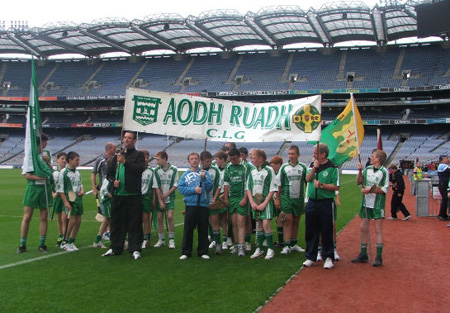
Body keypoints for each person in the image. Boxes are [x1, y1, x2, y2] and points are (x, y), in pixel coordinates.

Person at [102, 131, 145, 260]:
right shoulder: (116, 157)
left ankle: (135, 249)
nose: (126, 140)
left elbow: (139, 169)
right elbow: (109, 174)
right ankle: (115, 247)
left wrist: (125, 162)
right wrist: (112, 182)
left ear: (134, 141)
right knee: (116, 222)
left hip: (133, 195)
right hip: (118, 195)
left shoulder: (139, 155)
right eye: (125, 137)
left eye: (129, 138)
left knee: (134, 223)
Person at [302, 143, 339, 270]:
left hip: (326, 202)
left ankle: (328, 256)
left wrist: (322, 185)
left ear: (323, 154)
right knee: (311, 230)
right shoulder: (312, 165)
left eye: (316, 152)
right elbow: (307, 179)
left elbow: (336, 187)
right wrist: (314, 169)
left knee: (327, 230)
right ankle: (311, 257)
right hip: (312, 202)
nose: (313, 154)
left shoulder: (333, 168)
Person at [352, 149, 389, 267]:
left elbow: (384, 189)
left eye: (373, 156)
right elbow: (358, 182)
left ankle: (379, 256)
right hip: (365, 203)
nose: (370, 158)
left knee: (378, 229)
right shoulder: (367, 169)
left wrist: (370, 190)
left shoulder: (384, 171)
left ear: (378, 159)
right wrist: (359, 171)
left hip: (377, 204)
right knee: (363, 227)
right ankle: (363, 253)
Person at [17, 133, 53, 253]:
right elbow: (26, 175)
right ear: (40, 143)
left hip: (45, 189)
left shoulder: (45, 155)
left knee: (43, 217)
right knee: (27, 216)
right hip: (33, 189)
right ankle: (22, 244)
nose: (46, 144)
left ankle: (42, 244)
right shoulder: (30, 156)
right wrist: (40, 178)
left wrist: (47, 162)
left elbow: (51, 170)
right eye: (44, 142)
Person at [179, 152, 213, 260]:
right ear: (189, 161)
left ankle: (202, 251)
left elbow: (209, 187)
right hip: (190, 204)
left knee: (203, 228)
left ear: (199, 160)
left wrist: (205, 178)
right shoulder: (185, 175)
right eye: (192, 159)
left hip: (203, 204)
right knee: (188, 229)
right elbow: (181, 188)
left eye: (196, 158)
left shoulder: (205, 173)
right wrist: (193, 190)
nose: (194, 160)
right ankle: (186, 251)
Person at [247, 149, 277, 260]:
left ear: (260, 159)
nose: (252, 160)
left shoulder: (269, 170)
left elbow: (272, 188)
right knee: (259, 225)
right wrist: (252, 202)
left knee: (265, 224)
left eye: (253, 158)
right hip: (255, 203)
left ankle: (270, 249)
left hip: (266, 202)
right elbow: (248, 188)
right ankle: (259, 248)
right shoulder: (252, 171)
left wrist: (265, 203)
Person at [277, 145, 307, 255]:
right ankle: (286, 245)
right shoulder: (284, 167)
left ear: (298, 155)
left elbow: (307, 182)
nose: (290, 156)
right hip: (286, 198)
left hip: (298, 198)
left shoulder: (303, 167)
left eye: (293, 153)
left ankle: (294, 244)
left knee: (296, 221)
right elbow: (279, 184)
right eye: (289, 154)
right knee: (287, 220)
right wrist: (278, 199)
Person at [223, 148, 249, 256]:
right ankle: (236, 245)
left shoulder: (246, 167)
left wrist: (245, 198)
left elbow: (249, 184)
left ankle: (242, 246)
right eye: (230, 159)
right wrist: (225, 198)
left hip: (242, 197)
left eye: (234, 159)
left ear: (239, 157)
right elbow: (226, 183)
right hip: (232, 198)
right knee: (233, 223)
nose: (232, 161)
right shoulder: (228, 167)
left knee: (241, 222)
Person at [57, 151, 84, 252]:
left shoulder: (77, 172)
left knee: (78, 220)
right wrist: (66, 202)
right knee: (71, 220)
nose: (78, 162)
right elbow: (60, 189)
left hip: (78, 198)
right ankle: (65, 242)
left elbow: (80, 185)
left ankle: (72, 241)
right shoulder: (64, 172)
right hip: (70, 198)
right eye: (77, 160)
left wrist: (81, 191)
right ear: (70, 160)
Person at [91, 142, 116, 241]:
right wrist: (94, 188)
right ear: (109, 149)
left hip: (111, 187)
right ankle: (106, 233)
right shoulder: (100, 160)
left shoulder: (115, 160)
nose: (115, 151)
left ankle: (106, 233)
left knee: (108, 215)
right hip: (105, 189)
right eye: (114, 149)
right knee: (108, 215)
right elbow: (93, 173)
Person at [153, 151, 179, 248]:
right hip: (160, 197)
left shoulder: (174, 169)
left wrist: (167, 194)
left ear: (165, 159)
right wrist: (160, 200)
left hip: (170, 197)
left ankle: (171, 240)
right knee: (159, 218)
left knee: (170, 216)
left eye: (158, 159)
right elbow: (156, 186)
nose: (157, 162)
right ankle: (161, 239)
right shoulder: (156, 171)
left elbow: (175, 185)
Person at [201, 151, 222, 254]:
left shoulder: (215, 170)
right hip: (201, 201)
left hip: (212, 200)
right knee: (204, 223)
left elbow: (218, 185)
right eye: (207, 161)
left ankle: (218, 244)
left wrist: (215, 198)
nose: (209, 163)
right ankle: (204, 244)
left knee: (214, 222)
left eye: (210, 161)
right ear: (202, 161)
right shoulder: (197, 171)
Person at [141, 149, 157, 249]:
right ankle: (137, 237)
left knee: (146, 218)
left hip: (146, 196)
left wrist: (154, 199)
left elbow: (154, 187)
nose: (146, 159)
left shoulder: (151, 171)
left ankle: (146, 238)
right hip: (135, 197)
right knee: (136, 219)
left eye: (147, 158)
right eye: (144, 158)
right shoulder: (135, 169)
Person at [52, 152, 67, 247]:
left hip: (65, 197)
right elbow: (50, 185)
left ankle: (65, 238)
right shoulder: (54, 173)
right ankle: (60, 236)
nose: (64, 160)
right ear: (57, 160)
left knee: (64, 218)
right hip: (57, 198)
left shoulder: (67, 172)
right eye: (62, 158)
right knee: (59, 219)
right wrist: (54, 194)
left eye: (65, 159)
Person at [270, 155, 284, 247]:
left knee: (280, 219)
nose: (272, 166)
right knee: (278, 219)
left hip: (280, 199)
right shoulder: (274, 173)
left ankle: (282, 241)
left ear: (279, 164)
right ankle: (282, 240)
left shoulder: (281, 173)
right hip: (275, 198)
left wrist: (277, 198)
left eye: (273, 164)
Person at [437, 155, 450, 221]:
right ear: (442, 159)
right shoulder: (442, 165)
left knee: (445, 200)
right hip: (443, 185)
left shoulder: (445, 165)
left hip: (444, 185)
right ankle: (441, 214)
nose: (448, 159)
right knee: (444, 200)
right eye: (446, 158)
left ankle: (443, 214)